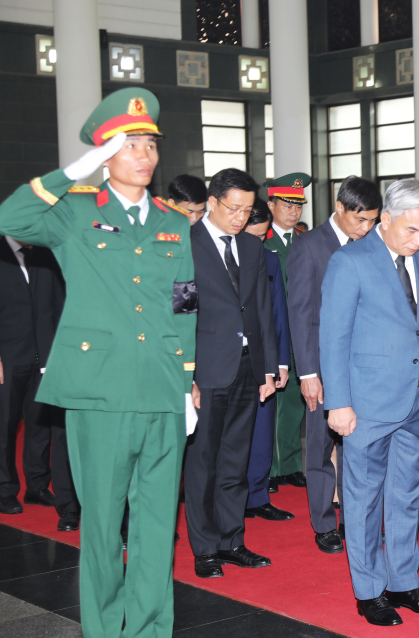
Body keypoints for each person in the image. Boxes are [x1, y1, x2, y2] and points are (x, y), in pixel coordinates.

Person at [0, 87, 197, 638]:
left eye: (150, 145)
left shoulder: (174, 221)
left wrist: (185, 384)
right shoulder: (76, 211)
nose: (145, 156)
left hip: (161, 388)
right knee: (103, 524)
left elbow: (185, 304)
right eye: (130, 145)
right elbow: (8, 217)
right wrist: (70, 174)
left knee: (157, 524)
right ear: (104, 154)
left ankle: (149, 629)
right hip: (99, 392)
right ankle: (105, 630)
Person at [321, 179, 419, 627]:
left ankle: (403, 582)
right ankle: (370, 591)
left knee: (407, 495)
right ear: (387, 219)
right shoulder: (350, 261)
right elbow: (332, 337)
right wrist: (338, 403)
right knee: (363, 500)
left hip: (415, 397)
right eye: (411, 230)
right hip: (366, 402)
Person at [186, 168, 277, 579]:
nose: (241, 217)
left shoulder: (252, 246)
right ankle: (205, 548)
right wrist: (186, 375)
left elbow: (261, 311)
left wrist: (268, 368)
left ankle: (231, 540)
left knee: (236, 460)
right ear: (212, 202)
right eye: (233, 209)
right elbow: (179, 314)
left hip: (246, 366)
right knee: (203, 461)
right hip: (204, 370)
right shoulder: (186, 244)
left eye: (247, 210)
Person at [288, 175, 381, 554]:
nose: (367, 228)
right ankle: (325, 522)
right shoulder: (309, 246)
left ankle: (356, 520)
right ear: (340, 208)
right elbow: (300, 314)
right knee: (321, 446)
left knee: (359, 446)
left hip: (364, 365)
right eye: (360, 219)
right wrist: (308, 373)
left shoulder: (371, 245)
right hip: (324, 367)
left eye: (373, 220)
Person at [0, 234, 78, 531]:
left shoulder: (44, 255)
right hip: (6, 359)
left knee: (40, 424)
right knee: (4, 425)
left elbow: (55, 304)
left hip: (44, 357)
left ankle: (37, 486)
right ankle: (5, 490)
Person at [241, 201, 293, 521]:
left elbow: (278, 314)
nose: (258, 242)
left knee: (262, 433)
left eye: (263, 236)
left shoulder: (269, 259)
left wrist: (281, 363)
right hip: (228, 360)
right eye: (254, 235)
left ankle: (257, 496)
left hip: (264, 361)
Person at [263, 173, 310, 491]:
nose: (294, 212)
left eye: (298, 206)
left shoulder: (305, 241)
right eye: (287, 205)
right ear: (271, 205)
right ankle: (267, 468)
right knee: (271, 405)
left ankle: (290, 465)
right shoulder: (261, 241)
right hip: (273, 332)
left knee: (294, 402)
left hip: (300, 334)